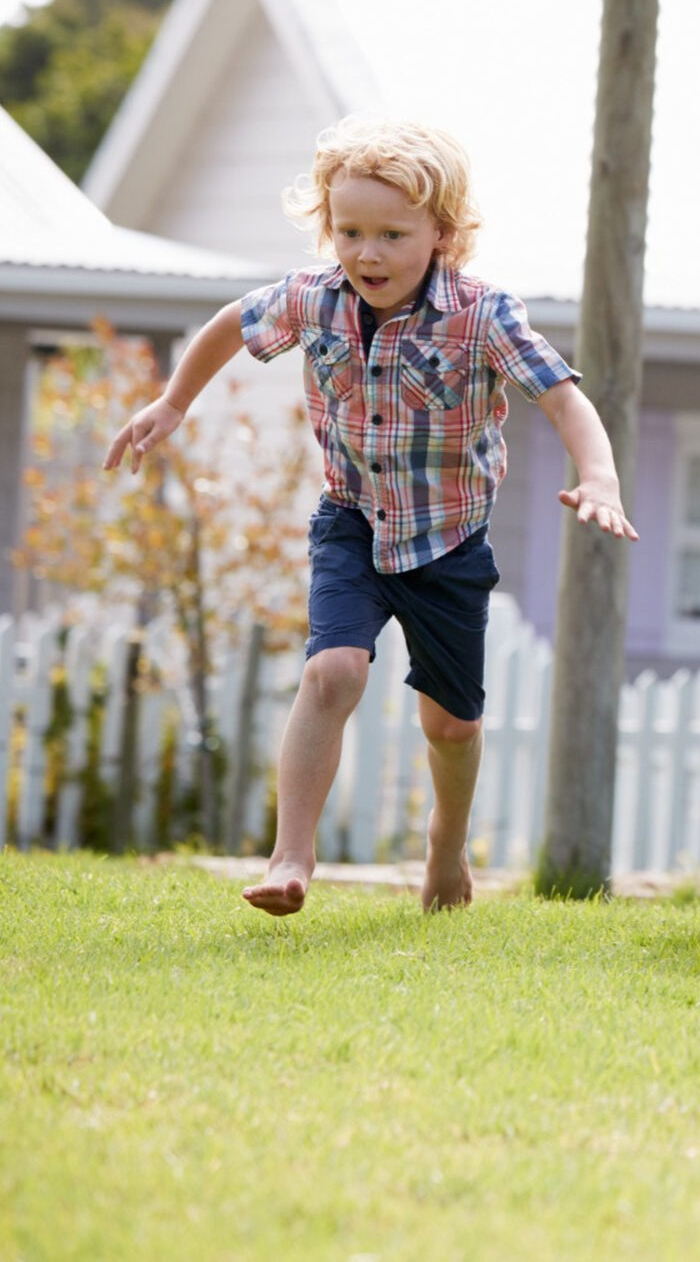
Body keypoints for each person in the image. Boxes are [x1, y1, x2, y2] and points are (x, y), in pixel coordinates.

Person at [104, 116, 636, 916]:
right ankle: (290, 858)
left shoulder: (482, 315)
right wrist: (174, 401)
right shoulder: (311, 300)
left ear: (442, 234)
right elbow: (230, 324)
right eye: (349, 232)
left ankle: (445, 848)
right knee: (332, 671)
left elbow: (563, 398)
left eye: (392, 234)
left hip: (448, 542)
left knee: (451, 727)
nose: (367, 254)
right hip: (350, 520)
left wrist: (599, 477)